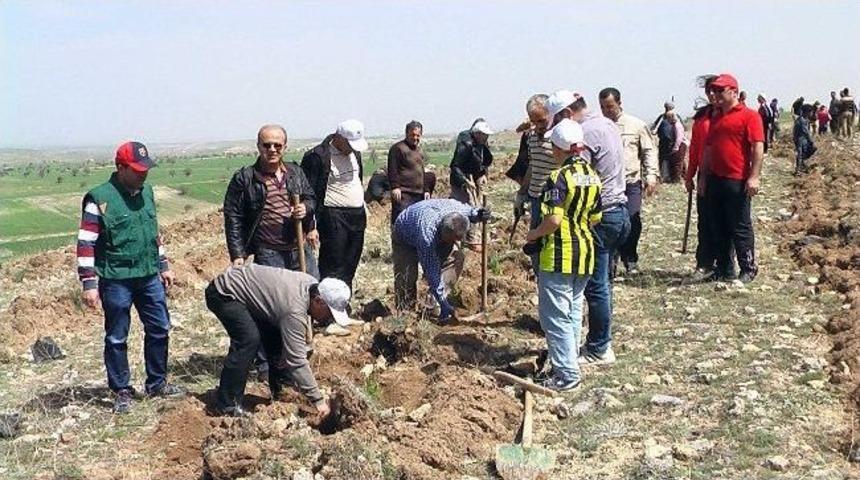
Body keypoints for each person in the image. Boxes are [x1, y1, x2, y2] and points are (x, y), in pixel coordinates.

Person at [76, 141, 184, 413]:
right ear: (120, 167)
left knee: (160, 328)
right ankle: (121, 390)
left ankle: (157, 384)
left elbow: (153, 233)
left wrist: (163, 265)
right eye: (137, 170)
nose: (143, 174)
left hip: (148, 275)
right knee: (116, 337)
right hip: (116, 279)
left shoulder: (147, 192)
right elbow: (86, 242)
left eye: (145, 169)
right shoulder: (100, 198)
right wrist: (89, 282)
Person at [544, 89, 629, 365]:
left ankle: (598, 347)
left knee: (595, 286)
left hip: (602, 215)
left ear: (567, 113)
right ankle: (598, 342)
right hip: (619, 210)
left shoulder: (584, 133)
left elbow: (580, 181)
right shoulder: (606, 123)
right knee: (603, 283)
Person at [206, 264, 352, 419]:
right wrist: (318, 400)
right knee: (248, 340)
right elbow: (297, 361)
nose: (328, 318)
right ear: (318, 301)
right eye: (329, 313)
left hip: (249, 294)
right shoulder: (294, 310)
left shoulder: (310, 284)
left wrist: (286, 351)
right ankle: (227, 405)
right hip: (225, 293)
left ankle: (282, 395)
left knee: (280, 343)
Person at [524, 119, 602, 391]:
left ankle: (567, 375)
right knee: (573, 312)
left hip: (558, 255)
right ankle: (570, 363)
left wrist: (534, 234)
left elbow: (554, 220)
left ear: (558, 148)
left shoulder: (558, 178)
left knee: (555, 316)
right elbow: (596, 217)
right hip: (585, 253)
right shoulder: (592, 175)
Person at [224, 125, 318, 276]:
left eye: (277, 145)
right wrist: (238, 254)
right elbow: (233, 217)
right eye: (267, 145)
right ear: (258, 146)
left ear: (285, 147)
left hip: (300, 249)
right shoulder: (245, 178)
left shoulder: (295, 172)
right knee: (277, 292)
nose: (272, 149)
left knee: (310, 289)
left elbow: (311, 198)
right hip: (269, 255)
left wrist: (305, 207)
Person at [700, 73, 764, 283]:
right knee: (718, 225)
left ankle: (748, 268)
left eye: (720, 90)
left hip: (737, 179)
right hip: (715, 178)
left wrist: (754, 176)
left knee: (740, 225)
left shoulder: (750, 116)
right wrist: (703, 177)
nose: (715, 94)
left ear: (734, 92)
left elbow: (757, 147)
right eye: (713, 90)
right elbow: (709, 149)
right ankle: (724, 268)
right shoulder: (716, 117)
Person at [391, 199, 490, 318]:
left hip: (427, 227)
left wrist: (480, 214)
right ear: (441, 231)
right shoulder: (427, 237)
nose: (452, 242)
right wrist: (444, 302)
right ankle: (405, 313)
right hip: (404, 235)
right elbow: (431, 271)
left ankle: (432, 303)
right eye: (449, 240)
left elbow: (471, 212)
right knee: (407, 276)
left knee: (456, 258)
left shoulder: (457, 210)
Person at [301, 120, 368, 291]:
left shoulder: (355, 154)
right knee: (333, 265)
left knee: (351, 262)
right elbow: (308, 193)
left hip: (357, 216)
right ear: (339, 137)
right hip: (333, 217)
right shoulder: (317, 156)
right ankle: (327, 302)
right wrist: (311, 226)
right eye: (349, 144)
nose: (352, 148)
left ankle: (344, 299)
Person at [598, 87, 658, 275]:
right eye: (602, 107)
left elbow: (648, 151)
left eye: (610, 106)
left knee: (632, 219)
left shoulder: (636, 125)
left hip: (630, 181)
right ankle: (611, 260)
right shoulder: (599, 127)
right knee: (611, 221)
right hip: (607, 183)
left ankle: (630, 257)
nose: (606, 111)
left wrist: (651, 175)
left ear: (619, 104)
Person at [686, 74, 721, 277]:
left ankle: (725, 264)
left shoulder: (731, 115)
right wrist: (689, 175)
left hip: (728, 176)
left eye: (717, 90)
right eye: (709, 91)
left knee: (725, 221)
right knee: (705, 220)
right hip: (705, 176)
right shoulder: (702, 118)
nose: (712, 95)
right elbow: (694, 148)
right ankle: (704, 263)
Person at [449, 119, 494, 250]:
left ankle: (472, 237)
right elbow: (455, 166)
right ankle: (464, 239)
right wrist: (465, 181)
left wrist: (482, 174)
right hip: (461, 180)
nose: (487, 137)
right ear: (477, 134)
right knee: (465, 208)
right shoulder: (466, 144)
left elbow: (482, 161)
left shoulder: (482, 143)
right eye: (484, 135)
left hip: (474, 177)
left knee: (477, 206)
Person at [387, 121, 429, 223]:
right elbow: (392, 168)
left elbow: (422, 171)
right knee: (401, 222)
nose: (415, 138)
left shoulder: (419, 151)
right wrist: (395, 187)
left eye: (418, 135)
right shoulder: (398, 148)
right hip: (403, 194)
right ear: (406, 134)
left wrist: (426, 189)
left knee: (416, 223)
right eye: (412, 135)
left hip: (418, 195)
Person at [793, 104, 816, 174]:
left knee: (804, 153)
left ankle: (802, 166)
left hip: (803, 139)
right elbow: (806, 132)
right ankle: (798, 170)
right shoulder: (802, 120)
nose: (812, 113)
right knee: (800, 154)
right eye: (811, 112)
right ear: (807, 112)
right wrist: (811, 141)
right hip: (800, 139)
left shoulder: (804, 119)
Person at [656, 110, 678, 183]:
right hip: (666, 144)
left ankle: (667, 177)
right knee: (666, 160)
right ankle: (666, 177)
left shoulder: (666, 121)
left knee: (666, 160)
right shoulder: (664, 121)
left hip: (668, 144)